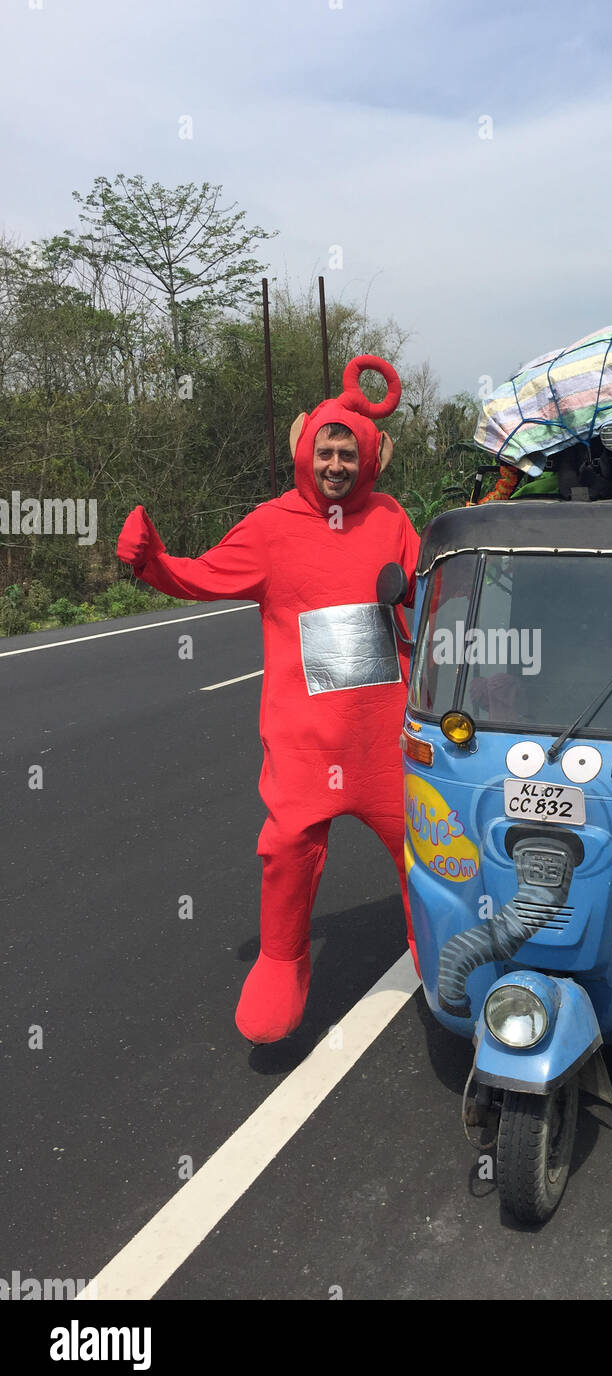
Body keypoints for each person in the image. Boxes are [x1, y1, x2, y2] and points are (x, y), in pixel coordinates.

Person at [116, 356, 421, 1044]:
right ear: (303, 452)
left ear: (370, 457)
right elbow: (201, 577)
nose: (336, 463)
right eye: (326, 449)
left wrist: (427, 589)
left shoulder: (391, 518)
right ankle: (282, 960)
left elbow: (427, 587)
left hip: (385, 739)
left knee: (427, 850)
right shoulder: (271, 525)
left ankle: (440, 952)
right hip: (307, 742)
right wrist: (151, 561)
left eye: (349, 451)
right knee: (286, 848)